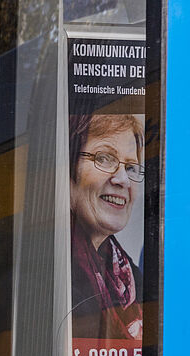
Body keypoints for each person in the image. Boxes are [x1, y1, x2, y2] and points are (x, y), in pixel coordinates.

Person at [69, 112, 145, 341]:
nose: (122, 179)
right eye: (104, 158)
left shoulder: (132, 277)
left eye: (131, 167)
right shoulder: (49, 266)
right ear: (68, 168)